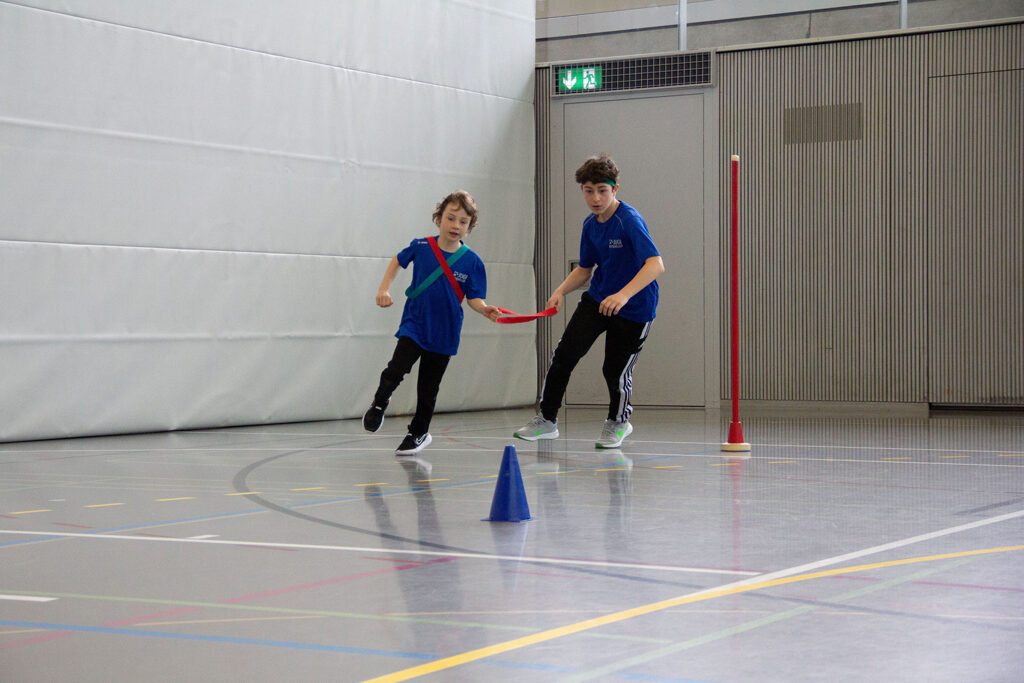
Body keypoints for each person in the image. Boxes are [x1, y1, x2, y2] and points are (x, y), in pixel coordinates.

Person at [514, 154, 664, 449]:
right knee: (564, 356)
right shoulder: (590, 224)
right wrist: (560, 291)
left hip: (634, 308)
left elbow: (655, 264)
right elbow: (585, 269)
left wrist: (623, 295)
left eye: (602, 190)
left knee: (615, 370)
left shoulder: (629, 221)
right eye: (589, 191)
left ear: (615, 189)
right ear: (582, 190)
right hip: (598, 300)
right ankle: (546, 420)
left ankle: (619, 422)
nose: (595, 198)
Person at [363, 190, 500, 455]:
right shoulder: (422, 246)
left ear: (469, 227)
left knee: (428, 388)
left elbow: (474, 298)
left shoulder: (472, 262)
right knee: (396, 369)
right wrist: (384, 289)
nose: (456, 225)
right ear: (439, 219)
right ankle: (379, 403)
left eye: (463, 222)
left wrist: (484, 309)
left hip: (445, 331)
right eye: (451, 218)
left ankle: (418, 433)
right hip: (415, 324)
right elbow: (398, 261)